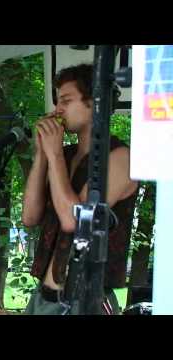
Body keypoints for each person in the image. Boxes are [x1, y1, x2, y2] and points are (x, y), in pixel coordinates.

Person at [22, 64, 139, 315]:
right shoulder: (64, 156)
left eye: (66, 100)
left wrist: (54, 154)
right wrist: (43, 154)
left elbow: (72, 221)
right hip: (44, 296)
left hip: (85, 301)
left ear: (94, 103)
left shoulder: (121, 157)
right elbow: (29, 216)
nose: (57, 109)